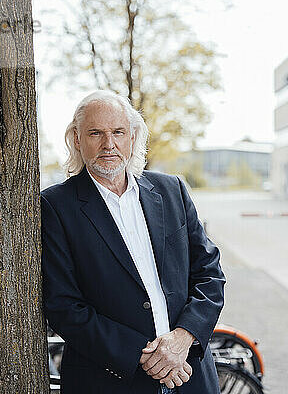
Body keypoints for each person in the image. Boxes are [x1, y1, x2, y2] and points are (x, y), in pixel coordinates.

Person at [40, 90, 226, 394]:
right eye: (95, 133)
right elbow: (64, 306)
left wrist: (183, 337)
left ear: (132, 137)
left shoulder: (172, 190)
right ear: (76, 139)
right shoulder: (55, 206)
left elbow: (210, 272)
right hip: (112, 380)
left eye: (118, 132)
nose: (108, 144)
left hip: (190, 374)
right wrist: (150, 357)